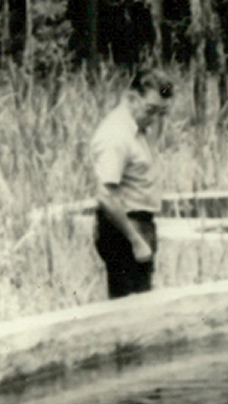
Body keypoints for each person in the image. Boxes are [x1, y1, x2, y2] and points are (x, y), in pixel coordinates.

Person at [88, 70, 174, 299]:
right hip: (123, 230)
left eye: (162, 112)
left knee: (141, 302)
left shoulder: (137, 130)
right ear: (132, 98)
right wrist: (136, 240)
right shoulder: (115, 135)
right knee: (129, 310)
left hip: (139, 224)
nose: (155, 119)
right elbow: (106, 195)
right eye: (151, 110)